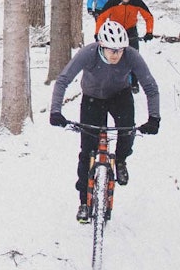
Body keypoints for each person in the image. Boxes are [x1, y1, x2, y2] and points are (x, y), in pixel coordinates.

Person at [50, 20, 161, 222]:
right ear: (101, 45)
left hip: (120, 95)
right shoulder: (88, 53)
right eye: (112, 50)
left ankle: (120, 160)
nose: (116, 54)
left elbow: (150, 86)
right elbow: (63, 80)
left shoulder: (131, 56)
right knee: (87, 150)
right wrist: (56, 111)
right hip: (92, 98)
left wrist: (154, 118)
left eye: (120, 50)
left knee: (127, 129)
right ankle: (84, 202)